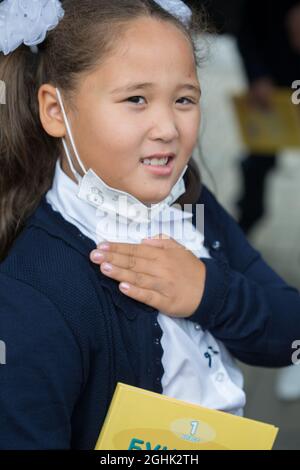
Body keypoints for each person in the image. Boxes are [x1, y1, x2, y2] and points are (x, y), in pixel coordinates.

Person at [0, 0, 299, 450]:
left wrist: (208, 294)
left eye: (184, 99)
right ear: (56, 111)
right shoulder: (33, 293)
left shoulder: (194, 207)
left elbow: (289, 333)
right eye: (136, 99)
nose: (167, 127)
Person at [235, 0, 300, 234]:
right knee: (260, 157)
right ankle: (248, 218)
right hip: (271, 80)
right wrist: (258, 76)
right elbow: (247, 32)